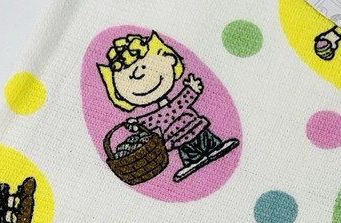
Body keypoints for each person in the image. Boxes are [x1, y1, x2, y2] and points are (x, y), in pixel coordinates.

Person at [98, 32, 239, 182]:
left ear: (169, 59)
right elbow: (157, 117)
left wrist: (191, 90)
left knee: (205, 139)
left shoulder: (167, 108)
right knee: (187, 149)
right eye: (130, 77)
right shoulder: (159, 113)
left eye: (144, 66)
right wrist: (137, 124)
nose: (140, 74)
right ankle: (192, 161)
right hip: (176, 137)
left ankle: (213, 148)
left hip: (191, 124)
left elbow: (176, 106)